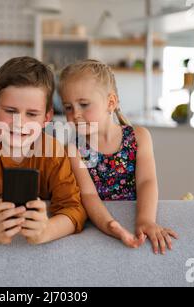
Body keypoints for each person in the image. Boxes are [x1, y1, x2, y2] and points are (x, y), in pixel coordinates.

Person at [0, 56, 87, 245]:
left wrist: (46, 231)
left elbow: (73, 209)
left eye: (32, 114)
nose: (19, 123)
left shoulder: (53, 151)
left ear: (47, 117)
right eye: (11, 111)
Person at [59, 59, 179, 254]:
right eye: (68, 107)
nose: (75, 115)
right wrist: (111, 226)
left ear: (111, 102)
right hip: (101, 222)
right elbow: (89, 195)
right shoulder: (74, 150)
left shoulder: (139, 137)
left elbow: (147, 182)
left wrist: (146, 220)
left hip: (136, 215)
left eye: (83, 104)